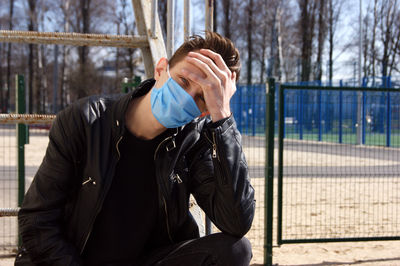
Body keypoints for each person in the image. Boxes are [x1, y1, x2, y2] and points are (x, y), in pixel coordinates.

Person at [16, 31, 255, 266]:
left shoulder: (194, 140)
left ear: (205, 111)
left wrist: (222, 117)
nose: (186, 96)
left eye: (202, 97)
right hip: (78, 260)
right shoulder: (84, 121)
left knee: (236, 250)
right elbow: (37, 220)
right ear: (160, 70)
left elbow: (235, 222)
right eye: (183, 81)